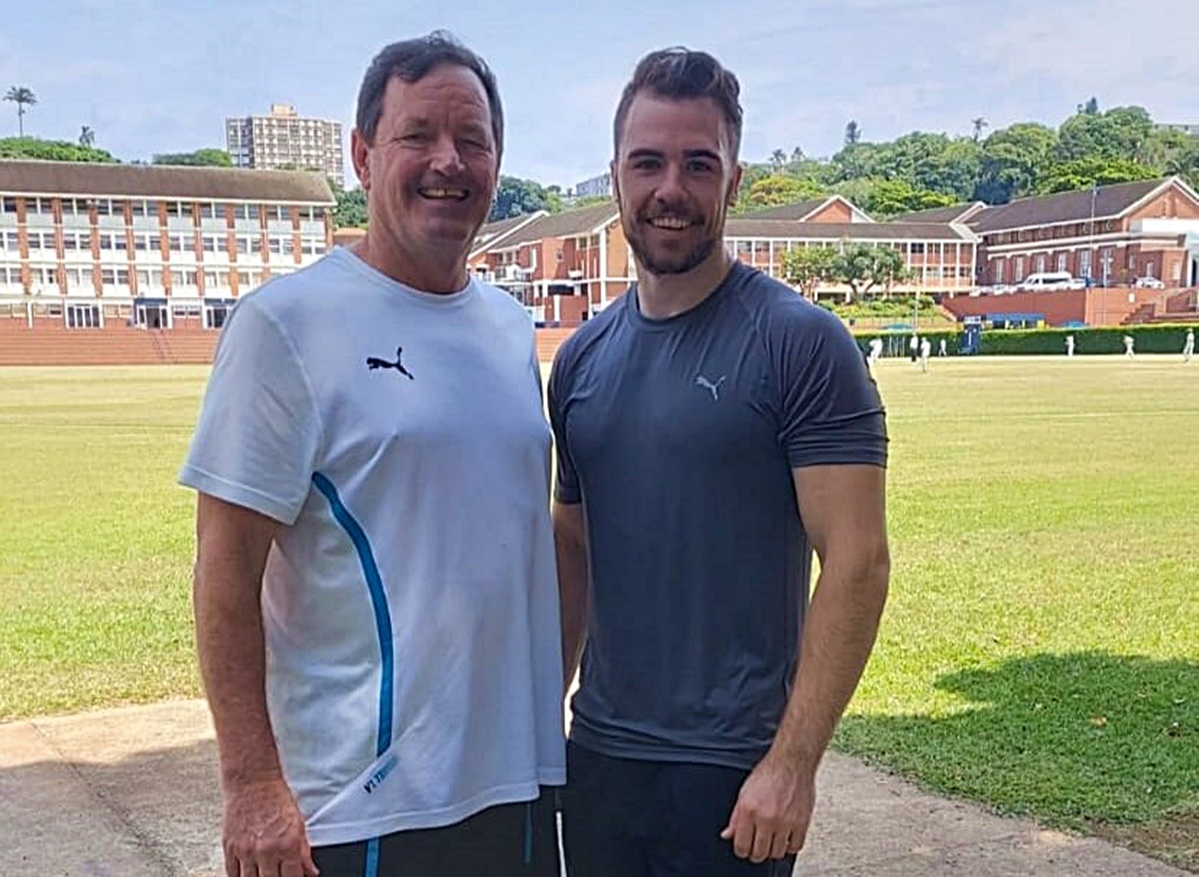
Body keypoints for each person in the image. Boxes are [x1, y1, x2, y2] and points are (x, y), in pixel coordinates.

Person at [179, 32, 565, 877]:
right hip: (364, 808)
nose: (448, 162)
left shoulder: (508, 328)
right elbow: (223, 569)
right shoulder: (287, 324)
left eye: (473, 141)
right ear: (361, 155)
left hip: (517, 787)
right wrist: (250, 784)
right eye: (417, 135)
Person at [549, 47, 890, 877]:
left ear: (734, 180)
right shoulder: (581, 360)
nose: (671, 189)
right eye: (648, 162)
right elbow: (573, 546)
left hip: (734, 771)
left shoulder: (803, 345)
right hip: (600, 758)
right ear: (615, 177)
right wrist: (537, 727)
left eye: (699, 164)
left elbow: (857, 561)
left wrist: (792, 764)